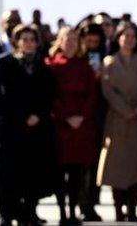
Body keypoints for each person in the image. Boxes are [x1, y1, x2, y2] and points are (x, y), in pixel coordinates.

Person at [0, 24, 58, 226]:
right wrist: (22, 116)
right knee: (7, 174)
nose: (28, 43)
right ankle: (7, 213)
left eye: (32, 39)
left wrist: (38, 115)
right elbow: (2, 95)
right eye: (24, 39)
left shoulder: (44, 67)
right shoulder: (4, 64)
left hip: (37, 129)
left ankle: (29, 212)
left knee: (32, 172)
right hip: (11, 128)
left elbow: (49, 96)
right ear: (16, 42)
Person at [97, 24, 137, 222]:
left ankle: (132, 208)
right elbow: (108, 90)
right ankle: (118, 209)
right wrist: (125, 110)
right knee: (117, 166)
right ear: (118, 38)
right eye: (125, 36)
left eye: (132, 36)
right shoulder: (109, 62)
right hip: (118, 120)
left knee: (136, 167)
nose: (129, 39)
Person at [47, 26, 99, 226]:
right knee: (61, 172)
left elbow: (92, 95)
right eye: (66, 39)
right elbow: (51, 96)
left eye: (74, 40)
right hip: (61, 126)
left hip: (81, 127)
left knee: (78, 173)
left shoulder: (84, 66)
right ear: (59, 42)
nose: (70, 43)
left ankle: (72, 210)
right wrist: (66, 116)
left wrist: (81, 116)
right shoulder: (52, 65)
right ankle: (62, 211)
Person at [76, 22, 107, 222]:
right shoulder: (76, 58)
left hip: (99, 117)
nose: (92, 44)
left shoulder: (106, 57)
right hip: (78, 118)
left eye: (96, 41)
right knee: (79, 165)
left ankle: (91, 203)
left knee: (96, 165)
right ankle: (78, 202)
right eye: (89, 41)